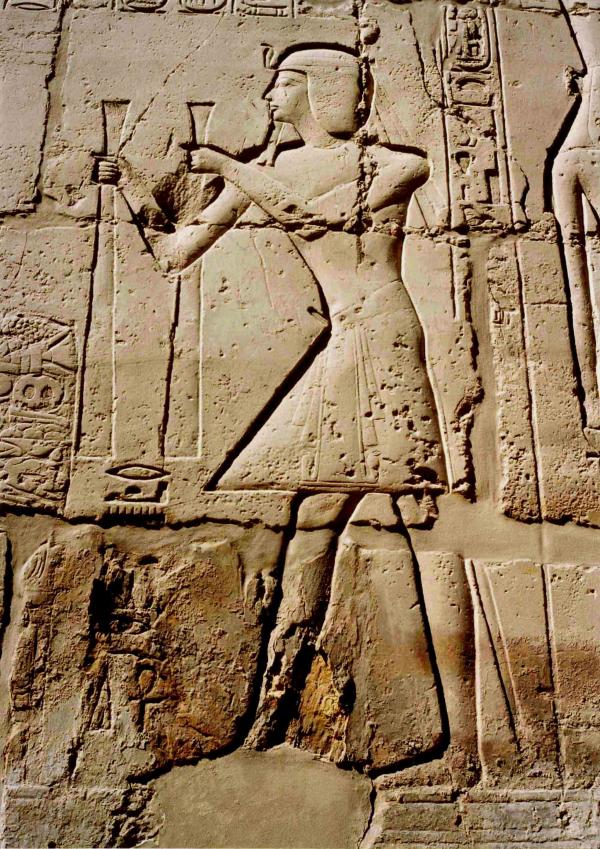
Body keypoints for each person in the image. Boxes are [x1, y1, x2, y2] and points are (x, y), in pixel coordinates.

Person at [97, 46, 466, 775]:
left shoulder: (389, 165)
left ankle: (395, 715)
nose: (269, 96)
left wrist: (231, 169)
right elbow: (176, 253)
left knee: (372, 515)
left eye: (284, 84)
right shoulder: (267, 172)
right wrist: (131, 192)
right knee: (324, 519)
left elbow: (319, 215)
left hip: (382, 337)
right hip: (348, 338)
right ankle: (287, 699)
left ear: (323, 92)